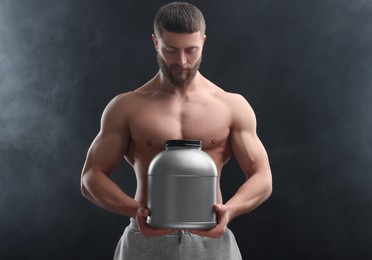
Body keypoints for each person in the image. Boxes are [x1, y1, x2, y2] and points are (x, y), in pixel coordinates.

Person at [81, 2, 272, 259]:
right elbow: (91, 176)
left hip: (211, 239)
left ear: (203, 42)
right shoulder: (127, 106)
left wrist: (231, 209)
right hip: (145, 238)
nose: (181, 61)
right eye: (170, 50)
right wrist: (135, 211)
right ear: (155, 42)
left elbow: (262, 176)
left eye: (191, 50)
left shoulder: (231, 105)